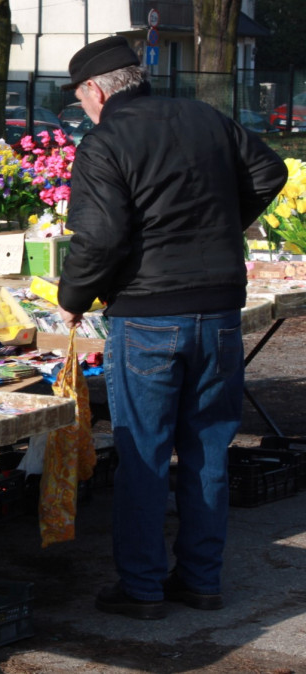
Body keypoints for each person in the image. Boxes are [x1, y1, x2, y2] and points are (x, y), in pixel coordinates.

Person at [56, 36, 288, 620]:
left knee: (144, 453)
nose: (81, 108)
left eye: (80, 97)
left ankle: (142, 587)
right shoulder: (206, 116)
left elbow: (101, 237)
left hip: (148, 313)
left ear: (95, 90)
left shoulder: (105, 140)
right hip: (218, 309)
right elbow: (271, 170)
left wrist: (72, 299)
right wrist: (220, 225)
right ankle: (202, 580)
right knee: (208, 449)